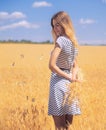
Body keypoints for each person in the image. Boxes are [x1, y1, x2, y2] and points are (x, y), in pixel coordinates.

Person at [48, 11, 81, 130]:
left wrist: (68, 77)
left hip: (58, 84)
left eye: (57, 24)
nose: (55, 28)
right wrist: (72, 78)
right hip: (70, 87)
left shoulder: (60, 41)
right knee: (68, 126)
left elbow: (51, 65)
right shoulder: (73, 42)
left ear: (65, 24)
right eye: (53, 25)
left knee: (59, 126)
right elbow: (75, 65)